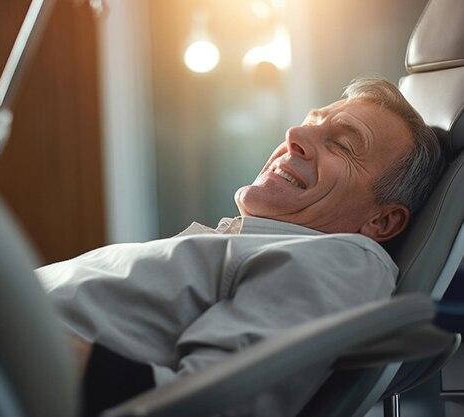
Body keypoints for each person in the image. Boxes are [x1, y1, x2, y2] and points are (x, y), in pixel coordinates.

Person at [35, 76, 445, 417]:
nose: (294, 135)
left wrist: (36, 345)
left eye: (342, 143)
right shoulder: (244, 246)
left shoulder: (343, 259)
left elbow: (217, 407)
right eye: (310, 124)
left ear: (382, 220)